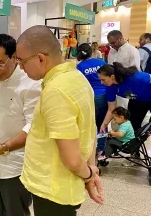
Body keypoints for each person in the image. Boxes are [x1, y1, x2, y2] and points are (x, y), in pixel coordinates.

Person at [16, 25, 103, 216]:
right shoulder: (77, 78)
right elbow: (89, 128)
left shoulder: (56, 91)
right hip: (63, 185)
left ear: (40, 58)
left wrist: (89, 174)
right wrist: (91, 168)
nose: (21, 68)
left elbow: (72, 160)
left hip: (53, 189)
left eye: (21, 62)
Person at [0, 34, 41, 216]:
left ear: (14, 58)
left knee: (15, 212)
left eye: (0, 63)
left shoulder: (31, 84)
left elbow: (32, 127)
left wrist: (3, 148)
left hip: (14, 166)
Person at [97, 62, 151, 133]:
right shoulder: (110, 87)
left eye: (103, 80)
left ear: (112, 77)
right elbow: (111, 109)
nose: (101, 83)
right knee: (132, 126)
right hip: (137, 100)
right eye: (100, 80)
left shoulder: (136, 78)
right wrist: (104, 124)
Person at [76, 43, 108, 158]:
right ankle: (100, 151)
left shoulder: (80, 67)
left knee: (89, 124)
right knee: (103, 124)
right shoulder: (101, 62)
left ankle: (88, 150)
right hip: (105, 96)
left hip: (90, 98)